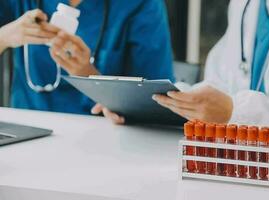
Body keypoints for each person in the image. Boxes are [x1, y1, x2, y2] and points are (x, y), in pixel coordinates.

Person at [102, 0, 269, 135]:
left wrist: (236, 112)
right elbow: (219, 86)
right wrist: (141, 104)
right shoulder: (245, 5)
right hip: (243, 165)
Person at [0, 0, 173, 121]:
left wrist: (87, 74)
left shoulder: (141, 5)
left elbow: (157, 101)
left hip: (105, 137)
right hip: (28, 126)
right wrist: (5, 36)